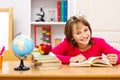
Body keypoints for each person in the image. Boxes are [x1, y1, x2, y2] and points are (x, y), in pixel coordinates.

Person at [51, 15, 120, 65]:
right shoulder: (67, 43)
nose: (84, 35)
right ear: (72, 36)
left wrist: (117, 59)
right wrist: (70, 59)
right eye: (78, 33)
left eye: (86, 30)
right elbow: (49, 55)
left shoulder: (99, 43)